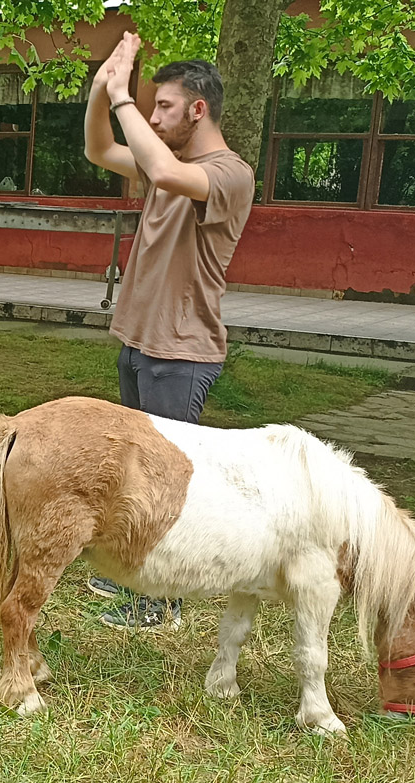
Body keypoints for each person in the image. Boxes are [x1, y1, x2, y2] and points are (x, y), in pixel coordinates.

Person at [82, 35, 255, 630]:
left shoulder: (229, 175)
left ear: (198, 111)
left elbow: (160, 164)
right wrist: (105, 86)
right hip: (140, 342)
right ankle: (133, 569)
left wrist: (125, 95)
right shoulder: (168, 167)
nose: (153, 118)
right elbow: (100, 146)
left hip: (182, 354)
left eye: (165, 107)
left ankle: (161, 602)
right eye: (151, 106)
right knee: (135, 471)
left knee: (165, 479)